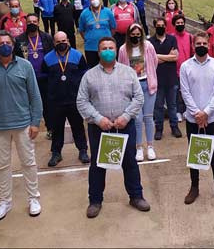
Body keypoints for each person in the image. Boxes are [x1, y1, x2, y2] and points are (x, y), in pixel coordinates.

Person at [76, 37, 150, 219]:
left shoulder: (129, 72)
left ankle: (136, 196)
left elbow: (139, 97)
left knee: (130, 162)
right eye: (104, 48)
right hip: (99, 129)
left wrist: (125, 117)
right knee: (98, 165)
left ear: (116, 50)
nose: (108, 50)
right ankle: (95, 200)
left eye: (111, 47)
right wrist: (98, 118)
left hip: (124, 126)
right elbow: (81, 101)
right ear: (98, 52)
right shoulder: (89, 76)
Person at [0, 31, 43, 221]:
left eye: (8, 42)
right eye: (1, 43)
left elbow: (35, 96)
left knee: (28, 162)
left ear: (13, 44)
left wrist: (35, 122)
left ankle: (33, 198)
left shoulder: (25, 66)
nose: (5, 45)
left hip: (23, 124)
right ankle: (5, 201)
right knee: (2, 166)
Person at [179, 32, 214, 205]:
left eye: (204, 43)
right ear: (193, 46)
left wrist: (206, 112)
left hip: (213, 118)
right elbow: (185, 92)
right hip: (193, 119)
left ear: (209, 45)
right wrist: (197, 114)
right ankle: (194, 187)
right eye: (198, 43)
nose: (201, 45)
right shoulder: (185, 66)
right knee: (194, 154)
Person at [43, 32, 89, 167]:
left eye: (63, 40)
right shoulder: (47, 59)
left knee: (78, 127)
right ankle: (56, 153)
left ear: (68, 41)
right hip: (56, 101)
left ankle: (83, 151)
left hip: (74, 99)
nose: (61, 43)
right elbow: (45, 78)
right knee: (56, 128)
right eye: (58, 42)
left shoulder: (78, 56)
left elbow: (84, 75)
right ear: (54, 43)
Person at [117, 24, 159, 161]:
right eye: (133, 34)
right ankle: (139, 147)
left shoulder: (148, 46)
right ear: (129, 35)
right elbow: (121, 67)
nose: (136, 37)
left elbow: (155, 61)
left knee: (148, 117)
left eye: (138, 34)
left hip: (147, 84)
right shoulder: (123, 49)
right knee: (137, 119)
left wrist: (149, 75)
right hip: (133, 88)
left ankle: (151, 146)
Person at [14, 14, 54, 138]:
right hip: (27, 78)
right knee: (27, 105)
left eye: (34, 21)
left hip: (44, 77)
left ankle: (51, 129)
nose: (32, 23)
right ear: (26, 23)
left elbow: (52, 55)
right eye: (29, 21)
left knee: (47, 105)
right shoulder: (19, 40)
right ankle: (27, 129)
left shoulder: (46, 37)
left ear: (38, 23)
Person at [149, 17, 181, 140]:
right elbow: (151, 59)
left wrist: (157, 56)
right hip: (157, 79)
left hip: (171, 78)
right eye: (158, 25)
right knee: (158, 106)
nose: (161, 27)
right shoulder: (150, 41)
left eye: (163, 25)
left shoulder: (172, 39)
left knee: (172, 105)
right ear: (155, 26)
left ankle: (174, 127)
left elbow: (175, 57)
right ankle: (159, 129)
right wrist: (168, 56)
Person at [78, 0, 116, 67]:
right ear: (89, 0)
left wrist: (108, 38)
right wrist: (88, 38)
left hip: (106, 48)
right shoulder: (84, 13)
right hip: (91, 48)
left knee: (108, 67)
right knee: (93, 70)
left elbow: (113, 28)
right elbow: (81, 30)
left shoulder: (108, 12)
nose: (95, 0)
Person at [172, 14, 193, 123]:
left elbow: (192, 51)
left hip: (188, 69)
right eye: (178, 23)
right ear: (174, 25)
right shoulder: (171, 37)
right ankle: (178, 112)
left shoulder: (189, 36)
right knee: (176, 92)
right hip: (175, 69)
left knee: (187, 91)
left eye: (181, 23)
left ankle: (187, 110)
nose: (180, 25)